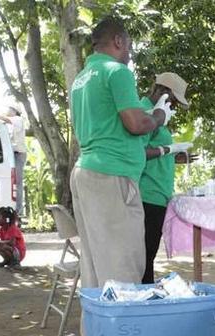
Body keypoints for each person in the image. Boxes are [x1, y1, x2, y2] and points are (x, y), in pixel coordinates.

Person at [69, 17, 173, 289]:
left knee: (94, 265)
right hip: (113, 176)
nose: (129, 51)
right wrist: (159, 117)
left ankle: (96, 330)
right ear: (118, 41)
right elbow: (136, 123)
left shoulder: (80, 79)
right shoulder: (117, 71)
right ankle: (125, 329)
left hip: (86, 171)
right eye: (128, 44)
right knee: (124, 266)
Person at [139, 72, 194, 284]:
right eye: (172, 101)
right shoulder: (146, 113)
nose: (173, 107)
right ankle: (143, 307)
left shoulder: (156, 114)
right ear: (161, 91)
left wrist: (173, 155)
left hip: (158, 194)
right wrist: (167, 149)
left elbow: (154, 152)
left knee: (148, 255)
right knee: (144, 257)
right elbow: (139, 152)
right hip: (148, 194)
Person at [0, 106, 27, 216]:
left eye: (10, 109)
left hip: (18, 155)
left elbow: (4, 118)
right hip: (11, 155)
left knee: (17, 182)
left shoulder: (18, 119)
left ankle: (18, 211)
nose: (7, 110)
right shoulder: (8, 124)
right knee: (9, 181)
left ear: (14, 111)